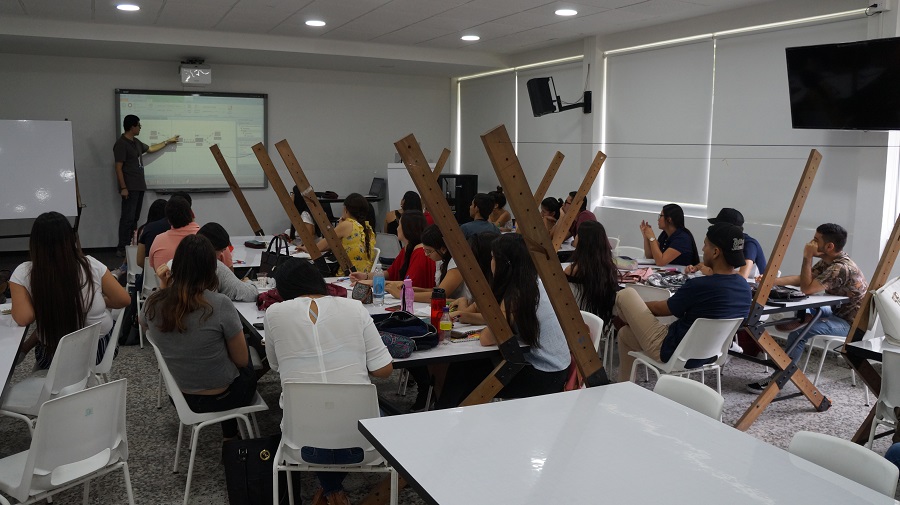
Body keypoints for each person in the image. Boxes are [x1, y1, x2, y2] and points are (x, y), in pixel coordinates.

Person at [265, 258, 393, 505]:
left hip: (300, 443)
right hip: (364, 444)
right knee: (364, 410)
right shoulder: (355, 308)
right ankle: (332, 490)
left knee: (320, 412)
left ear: (282, 290)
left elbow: (275, 365)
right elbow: (384, 370)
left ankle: (330, 490)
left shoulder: (273, 314)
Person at [142, 235, 257, 440]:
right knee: (246, 355)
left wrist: (164, 286)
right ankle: (231, 437)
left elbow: (144, 321)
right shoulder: (219, 304)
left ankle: (230, 435)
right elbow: (241, 361)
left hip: (180, 395)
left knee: (216, 354)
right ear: (212, 268)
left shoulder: (152, 304)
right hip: (222, 397)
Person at [436, 234, 571, 408]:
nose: (490, 262)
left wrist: (477, 317)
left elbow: (487, 338)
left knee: (465, 372)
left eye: (493, 257)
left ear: (504, 263)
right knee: (466, 368)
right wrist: (468, 316)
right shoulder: (530, 283)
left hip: (544, 373)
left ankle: (445, 414)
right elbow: (501, 322)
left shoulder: (516, 295)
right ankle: (447, 414)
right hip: (550, 365)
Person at [615, 223, 752, 382]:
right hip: (709, 355)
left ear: (715, 252)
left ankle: (623, 315)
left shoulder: (699, 286)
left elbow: (663, 310)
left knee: (626, 294)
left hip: (670, 350)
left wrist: (635, 308)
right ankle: (622, 385)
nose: (702, 249)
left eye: (705, 245)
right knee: (625, 334)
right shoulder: (745, 288)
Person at [746, 223, 868, 393]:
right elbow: (802, 279)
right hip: (836, 312)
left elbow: (807, 288)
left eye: (815, 240)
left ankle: (777, 380)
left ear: (829, 246)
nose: (810, 243)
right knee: (806, 307)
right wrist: (770, 280)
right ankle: (804, 318)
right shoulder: (830, 261)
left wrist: (807, 257)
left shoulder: (840, 267)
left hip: (852, 325)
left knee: (799, 333)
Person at [10, 212, 131, 369]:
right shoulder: (90, 264)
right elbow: (124, 300)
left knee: (53, 319)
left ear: (34, 243)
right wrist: (98, 299)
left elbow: (24, 318)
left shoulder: (24, 272)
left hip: (53, 357)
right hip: (98, 351)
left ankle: (25, 348)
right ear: (71, 239)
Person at [114, 114, 179, 257]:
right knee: (127, 218)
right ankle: (122, 248)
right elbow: (118, 167)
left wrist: (168, 142)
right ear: (132, 127)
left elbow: (150, 149)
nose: (140, 128)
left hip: (139, 186)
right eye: (139, 125)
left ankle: (132, 246)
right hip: (129, 187)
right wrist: (123, 187)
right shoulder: (121, 144)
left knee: (135, 218)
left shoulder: (136, 142)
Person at [351, 211, 434, 290]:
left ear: (407, 228)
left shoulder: (420, 252)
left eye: (399, 225)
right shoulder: (407, 249)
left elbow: (408, 285)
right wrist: (365, 276)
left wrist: (373, 282)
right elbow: (390, 273)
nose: (397, 228)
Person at [299, 193, 375, 273]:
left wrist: (305, 248)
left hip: (348, 274)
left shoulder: (346, 225)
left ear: (346, 209)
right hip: (364, 272)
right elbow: (334, 244)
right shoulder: (367, 227)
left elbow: (317, 248)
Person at [684, 208, 767, 278]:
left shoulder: (749, 245)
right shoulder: (728, 242)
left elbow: (743, 276)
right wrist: (696, 267)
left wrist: (712, 272)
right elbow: (717, 262)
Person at [564, 221, 619, 323]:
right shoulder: (608, 268)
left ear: (582, 240)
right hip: (600, 321)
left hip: (576, 320)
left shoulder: (572, 270)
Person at [197, 222, 258, 302]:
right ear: (213, 248)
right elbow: (250, 294)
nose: (220, 255)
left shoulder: (177, 263)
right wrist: (248, 282)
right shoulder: (215, 267)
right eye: (221, 250)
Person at [137, 192, 192, 269]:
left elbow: (140, 261)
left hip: (154, 278)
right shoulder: (197, 234)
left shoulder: (153, 233)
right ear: (190, 211)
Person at [148, 196, 198, 270]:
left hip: (163, 281)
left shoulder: (158, 240)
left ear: (168, 220)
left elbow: (153, 267)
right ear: (192, 214)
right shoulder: (202, 237)